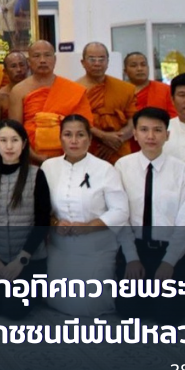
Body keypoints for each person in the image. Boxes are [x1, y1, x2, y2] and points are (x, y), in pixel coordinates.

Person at [41, 115, 128, 316]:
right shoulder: (48, 167)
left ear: (89, 139)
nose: (74, 141)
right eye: (68, 135)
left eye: (80, 135)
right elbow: (42, 208)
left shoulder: (105, 169)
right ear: (60, 138)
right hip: (60, 247)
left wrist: (88, 226)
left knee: (86, 306)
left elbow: (120, 211)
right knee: (55, 300)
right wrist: (54, 222)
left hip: (95, 247)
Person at [114, 107, 185, 323]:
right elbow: (120, 216)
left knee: (168, 315)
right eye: (144, 130)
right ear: (136, 134)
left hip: (171, 251)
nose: (151, 136)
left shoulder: (183, 171)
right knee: (128, 310)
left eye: (158, 130)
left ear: (167, 135)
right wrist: (131, 258)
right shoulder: (123, 166)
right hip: (135, 248)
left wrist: (169, 261)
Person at [0, 120, 50, 319]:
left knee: (14, 311)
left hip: (27, 259)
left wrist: (21, 260)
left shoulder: (37, 175)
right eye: (3, 140)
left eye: (15, 140)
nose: (9, 146)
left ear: (24, 144)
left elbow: (43, 222)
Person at [9, 41, 94, 163]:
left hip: (70, 157)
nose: (42, 60)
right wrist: (34, 156)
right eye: (36, 56)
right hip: (30, 157)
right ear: (29, 61)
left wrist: (70, 156)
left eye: (47, 55)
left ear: (54, 59)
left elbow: (84, 127)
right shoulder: (18, 91)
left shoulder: (72, 89)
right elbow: (15, 131)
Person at [76, 42, 136, 163]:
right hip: (87, 148)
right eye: (92, 59)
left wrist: (117, 140)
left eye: (101, 59)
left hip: (119, 150)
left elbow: (134, 120)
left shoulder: (124, 88)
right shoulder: (74, 89)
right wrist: (104, 137)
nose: (97, 63)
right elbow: (75, 120)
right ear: (83, 63)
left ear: (108, 62)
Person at [0, 50, 29, 129]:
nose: (19, 69)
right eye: (13, 66)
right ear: (5, 72)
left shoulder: (36, 91)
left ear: (28, 67)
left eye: (22, 65)